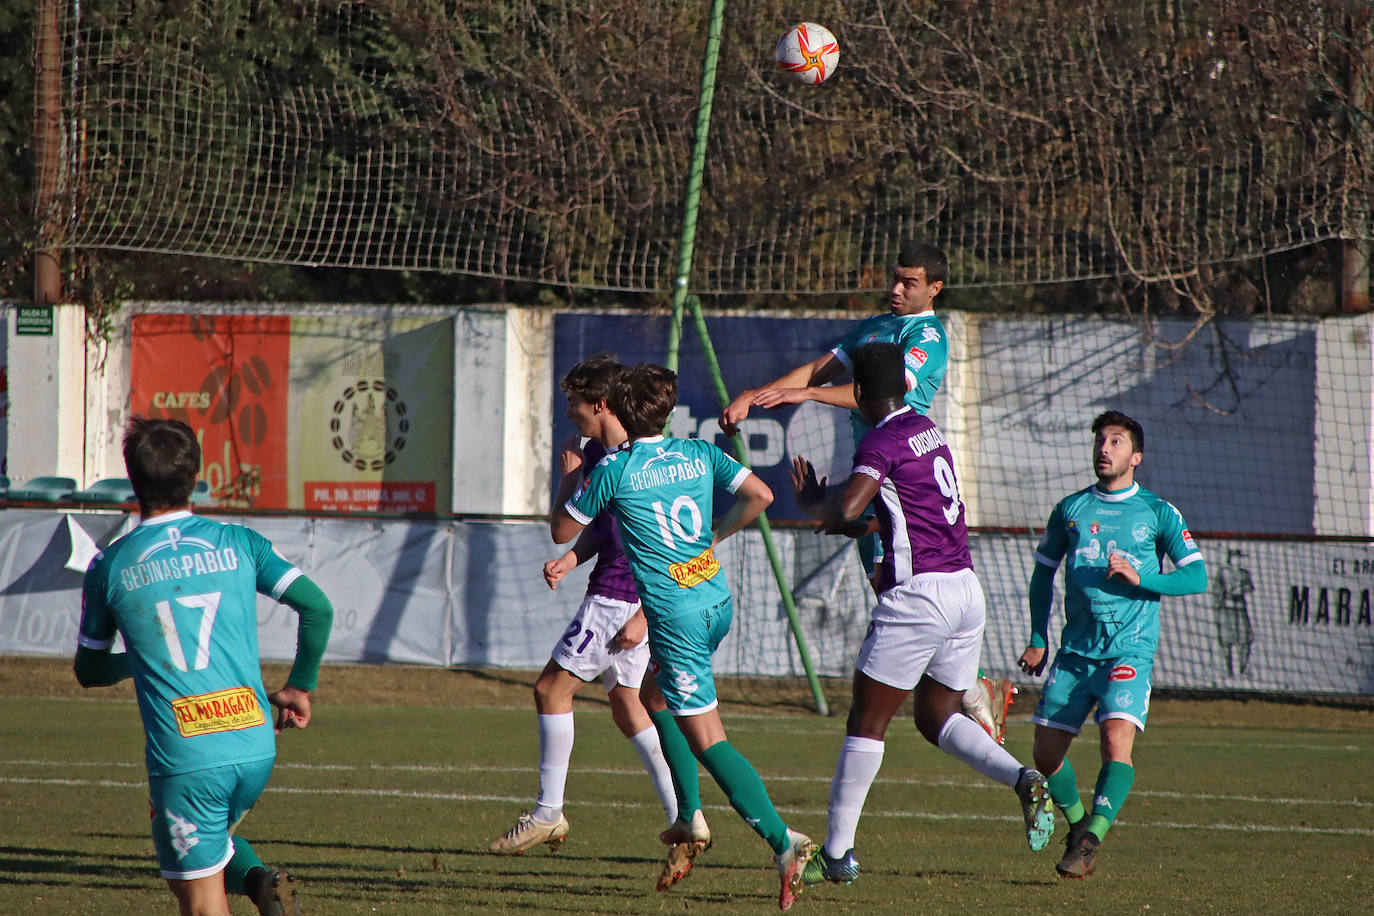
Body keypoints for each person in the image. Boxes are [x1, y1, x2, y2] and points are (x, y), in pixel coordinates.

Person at [718, 240, 1012, 742]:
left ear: (935, 289)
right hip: (870, 475)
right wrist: (755, 395)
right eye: (894, 278)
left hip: (900, 480)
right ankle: (972, 689)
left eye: (910, 282)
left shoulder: (928, 338)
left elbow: (871, 394)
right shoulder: (874, 326)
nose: (896, 289)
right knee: (887, 587)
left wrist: (805, 395)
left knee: (899, 596)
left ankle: (959, 692)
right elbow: (818, 369)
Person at [551, 362, 816, 911]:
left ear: (619, 411)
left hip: (676, 619)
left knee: (708, 740)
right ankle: (688, 816)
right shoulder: (699, 452)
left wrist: (572, 474)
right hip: (716, 601)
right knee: (652, 697)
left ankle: (784, 842)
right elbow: (762, 495)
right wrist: (709, 540)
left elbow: (561, 531)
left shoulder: (615, 470)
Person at [790, 343, 1054, 888]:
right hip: (964, 589)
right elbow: (886, 520)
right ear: (905, 388)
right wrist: (840, 516)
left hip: (921, 598)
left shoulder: (880, 439)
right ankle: (1023, 777)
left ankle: (837, 856)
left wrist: (818, 504)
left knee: (866, 721)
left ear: (858, 394)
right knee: (935, 717)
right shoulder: (926, 430)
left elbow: (849, 508)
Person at [73, 417, 334, 916]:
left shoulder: (110, 565)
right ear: (195, 477)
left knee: (198, 899)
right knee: (211, 843)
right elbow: (318, 608)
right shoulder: (239, 541)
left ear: (133, 479)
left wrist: (143, 659)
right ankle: (260, 883)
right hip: (255, 742)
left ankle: (256, 883)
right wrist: (300, 687)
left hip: (187, 756)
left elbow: (90, 670)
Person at [490, 354, 709, 893]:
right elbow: (599, 530)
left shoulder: (620, 459)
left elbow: (562, 526)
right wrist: (572, 561)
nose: (572, 417)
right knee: (628, 706)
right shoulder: (601, 453)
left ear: (603, 405)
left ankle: (548, 812)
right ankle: (689, 818)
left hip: (620, 598)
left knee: (549, 690)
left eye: (576, 406)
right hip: (624, 594)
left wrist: (567, 484)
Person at [1017, 410, 1208, 879]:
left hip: (1129, 649)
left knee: (1113, 739)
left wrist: (1142, 577)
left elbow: (1196, 575)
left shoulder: (1158, 512)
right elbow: (1044, 572)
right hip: (1076, 652)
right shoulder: (1071, 509)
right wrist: (1039, 637)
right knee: (1044, 753)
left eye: (1116, 441)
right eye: (1100, 440)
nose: (1104, 448)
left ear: (1136, 456)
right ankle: (1080, 826)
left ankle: (1092, 837)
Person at [1212, 548, 1254, 677]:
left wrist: (1240, 589)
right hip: (1227, 610)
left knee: (1245, 640)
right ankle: (1227, 670)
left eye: (1239, 558)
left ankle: (1243, 669)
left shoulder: (1244, 573)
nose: (1238, 561)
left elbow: (1250, 587)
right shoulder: (1223, 572)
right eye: (1236, 558)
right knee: (1225, 641)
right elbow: (1216, 588)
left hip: (1240, 610)